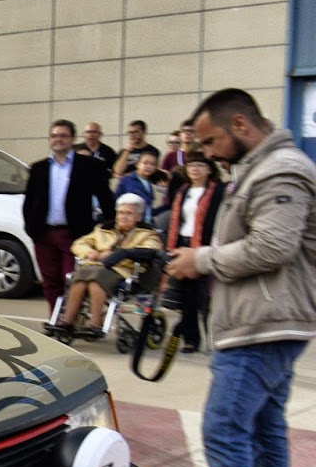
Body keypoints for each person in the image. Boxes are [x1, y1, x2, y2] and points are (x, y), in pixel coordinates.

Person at [165, 88, 316, 467]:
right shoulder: (260, 168)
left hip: (263, 326)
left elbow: (273, 246)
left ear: (240, 125)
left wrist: (202, 259)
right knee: (265, 430)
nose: (207, 154)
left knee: (224, 429)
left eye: (210, 141)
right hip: (265, 320)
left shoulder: (281, 170)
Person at [24, 119, 114, 314]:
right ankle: (55, 317)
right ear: (49, 139)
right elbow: (29, 202)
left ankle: (70, 319)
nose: (58, 139)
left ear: (73, 139)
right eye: (54, 136)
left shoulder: (89, 166)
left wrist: (110, 229)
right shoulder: (38, 168)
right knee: (50, 281)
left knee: (72, 278)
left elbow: (106, 199)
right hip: (44, 234)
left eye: (63, 136)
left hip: (75, 235)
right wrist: (31, 229)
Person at [49, 194, 160, 338]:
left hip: (123, 270)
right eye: (120, 213)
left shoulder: (147, 234)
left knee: (96, 280)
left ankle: (94, 324)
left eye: (129, 213)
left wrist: (118, 254)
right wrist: (89, 252)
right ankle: (67, 322)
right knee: (79, 279)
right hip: (94, 266)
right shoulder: (103, 229)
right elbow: (79, 244)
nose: (123, 217)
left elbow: (150, 251)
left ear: (138, 216)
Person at [163, 152, 223, 353]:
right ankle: (191, 339)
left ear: (209, 170)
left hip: (205, 245)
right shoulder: (183, 191)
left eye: (200, 165)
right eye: (191, 166)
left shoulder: (217, 191)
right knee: (187, 296)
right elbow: (177, 219)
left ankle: (213, 339)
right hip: (182, 242)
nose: (195, 169)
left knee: (204, 296)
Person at [113, 151, 162, 221]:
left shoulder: (149, 183)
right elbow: (116, 201)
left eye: (152, 164)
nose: (148, 166)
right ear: (137, 164)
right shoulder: (127, 180)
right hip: (130, 221)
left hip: (146, 222)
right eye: (145, 163)